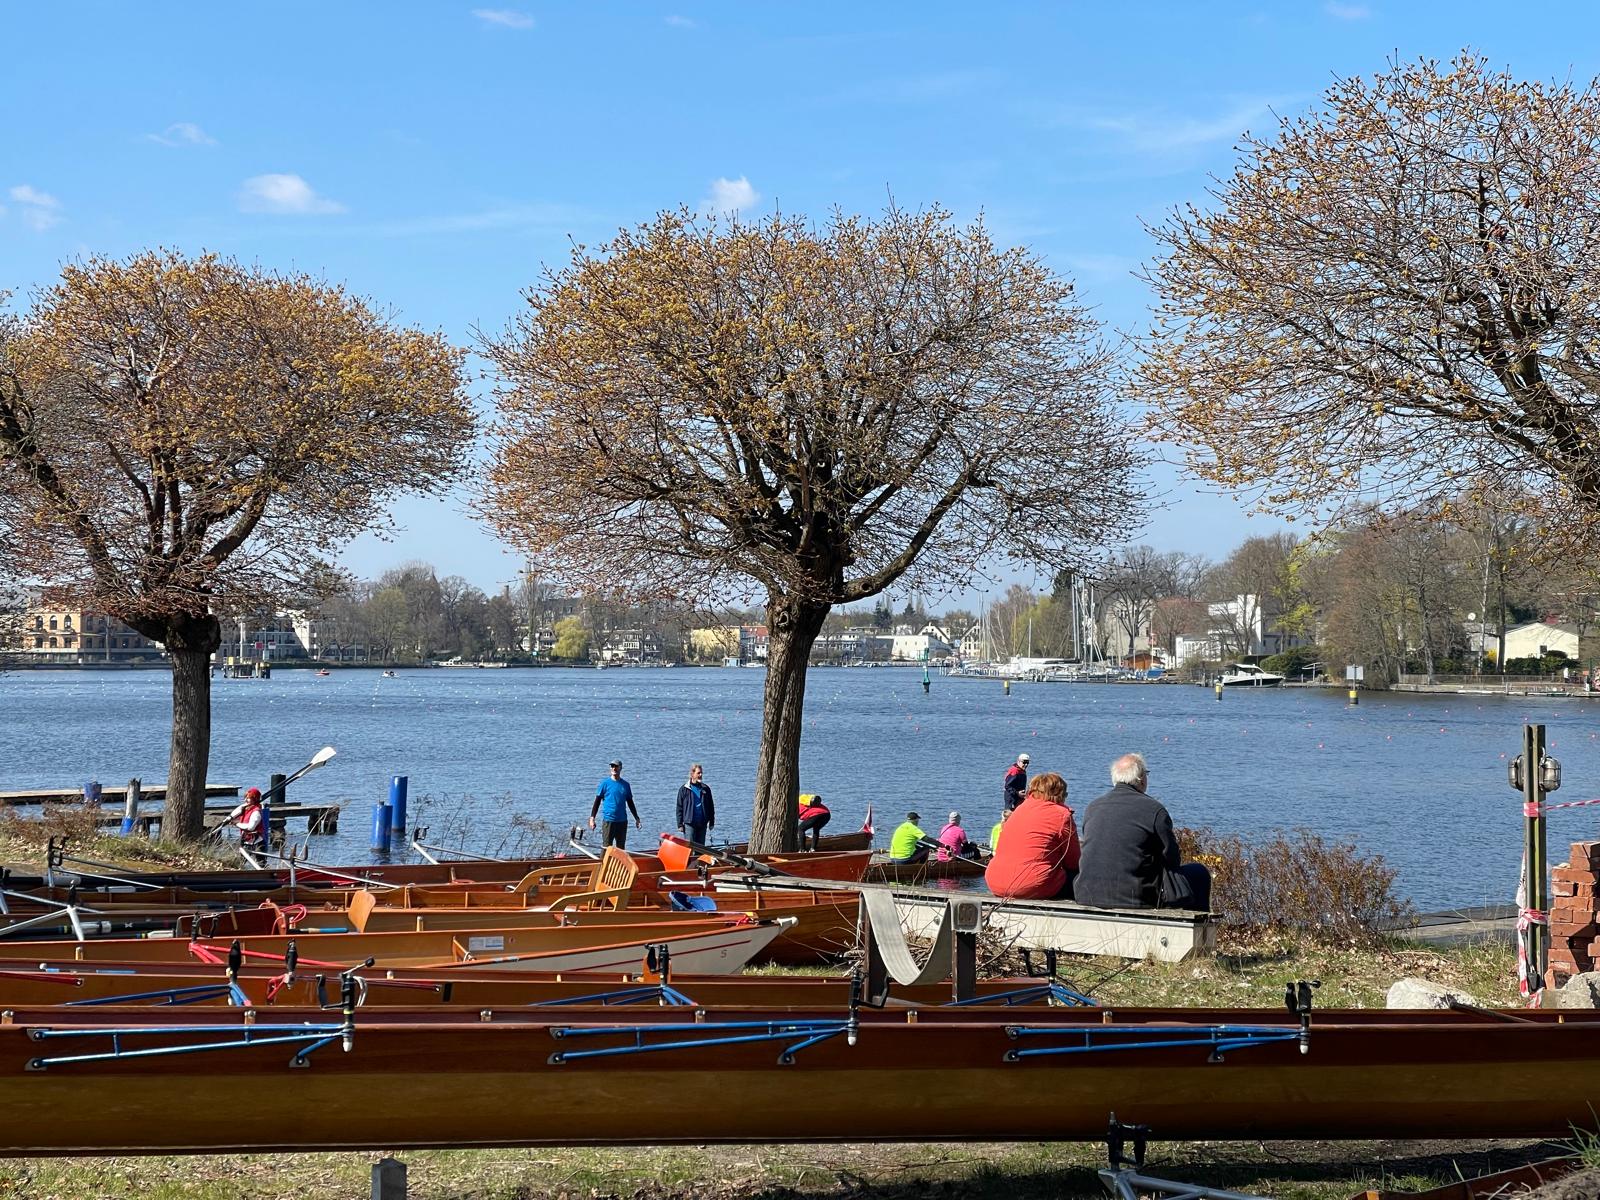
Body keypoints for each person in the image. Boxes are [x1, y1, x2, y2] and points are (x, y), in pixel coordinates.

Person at [1073, 752, 1211, 912]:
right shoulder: (1154, 810)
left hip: (1087, 893)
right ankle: (1197, 927)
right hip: (1136, 895)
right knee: (1199, 873)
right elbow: (1172, 859)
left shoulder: (1093, 807)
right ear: (1141, 779)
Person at [984, 772, 1079, 900]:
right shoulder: (1062, 815)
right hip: (1032, 885)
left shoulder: (1018, 810)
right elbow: (1073, 862)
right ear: (1059, 794)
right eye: (1065, 795)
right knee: (1081, 878)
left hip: (995, 882)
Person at [589, 759, 641, 849]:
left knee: (620, 850)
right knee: (606, 848)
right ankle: (604, 859)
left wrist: (637, 818)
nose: (614, 768)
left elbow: (630, 803)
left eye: (616, 766)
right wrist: (592, 818)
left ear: (620, 768)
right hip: (609, 821)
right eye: (612, 766)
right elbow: (597, 801)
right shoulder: (605, 784)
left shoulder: (625, 785)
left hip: (622, 821)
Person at [675, 763, 715, 846]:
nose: (700, 775)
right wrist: (680, 824)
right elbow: (679, 808)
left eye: (701, 773)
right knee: (690, 847)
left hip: (702, 823)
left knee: (700, 848)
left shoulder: (706, 789)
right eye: (698, 773)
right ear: (692, 774)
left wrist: (711, 822)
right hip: (689, 823)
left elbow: (711, 806)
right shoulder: (684, 789)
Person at [228, 786, 266, 850]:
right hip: (246, 841)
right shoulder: (246, 809)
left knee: (257, 857)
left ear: (255, 799)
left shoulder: (256, 812)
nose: (245, 800)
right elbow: (238, 810)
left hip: (256, 843)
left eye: (248, 798)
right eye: (245, 797)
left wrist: (236, 824)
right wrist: (230, 818)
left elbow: (250, 827)